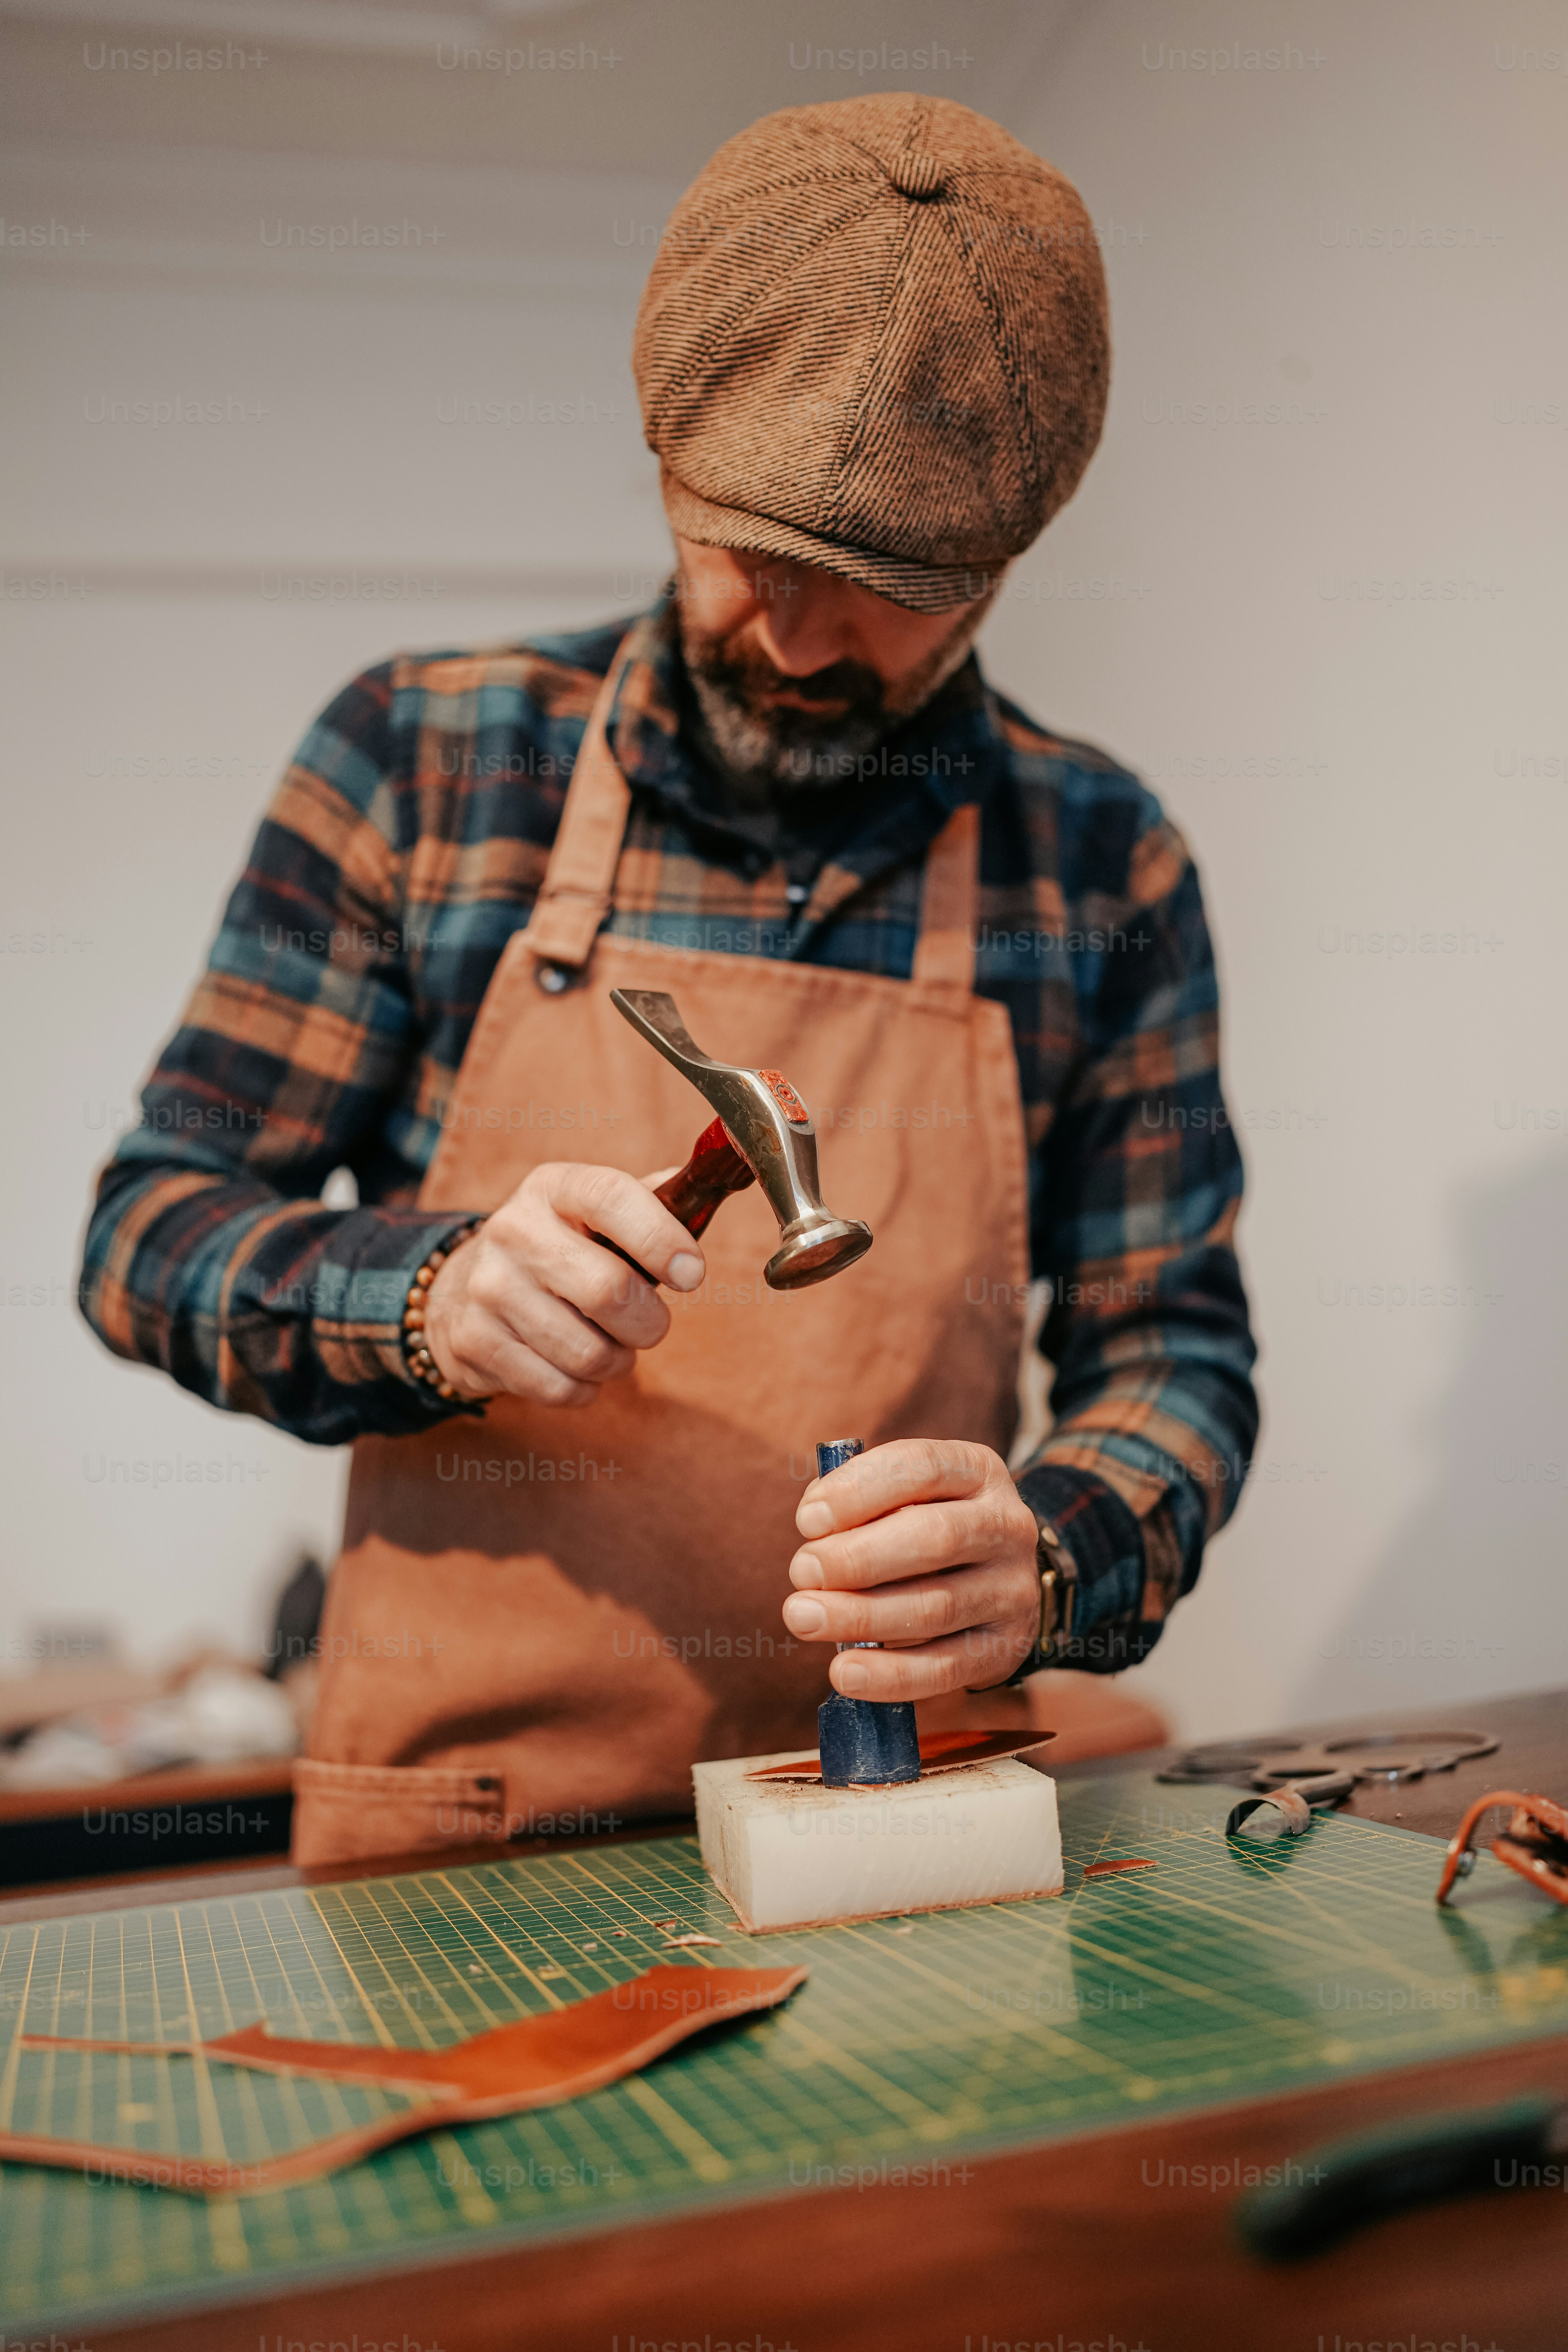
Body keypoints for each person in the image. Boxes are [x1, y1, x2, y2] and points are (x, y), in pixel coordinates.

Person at [79, 95, 1257, 1867]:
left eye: (882, 596)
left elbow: (1175, 1350)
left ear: (1007, 561)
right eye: (749, 557)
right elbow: (144, 1234)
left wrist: (1057, 1554)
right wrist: (424, 1297)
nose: (792, 640)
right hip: (473, 1837)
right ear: (665, 461)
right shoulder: (423, 759)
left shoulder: (1102, 864)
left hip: (906, 1825)